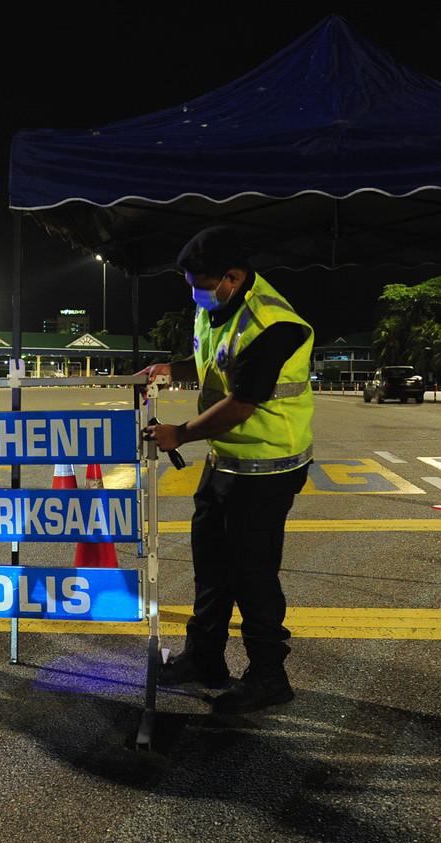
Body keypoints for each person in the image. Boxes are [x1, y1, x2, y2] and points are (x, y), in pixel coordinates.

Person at [141, 226, 314, 714]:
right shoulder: (214, 306)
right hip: (226, 461)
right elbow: (215, 363)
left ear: (233, 278)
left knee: (252, 574)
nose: (194, 291)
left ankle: (268, 676)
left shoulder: (275, 324)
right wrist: (169, 369)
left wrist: (181, 433)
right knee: (211, 564)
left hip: (267, 467)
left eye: (201, 281)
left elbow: (241, 402)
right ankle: (205, 658)